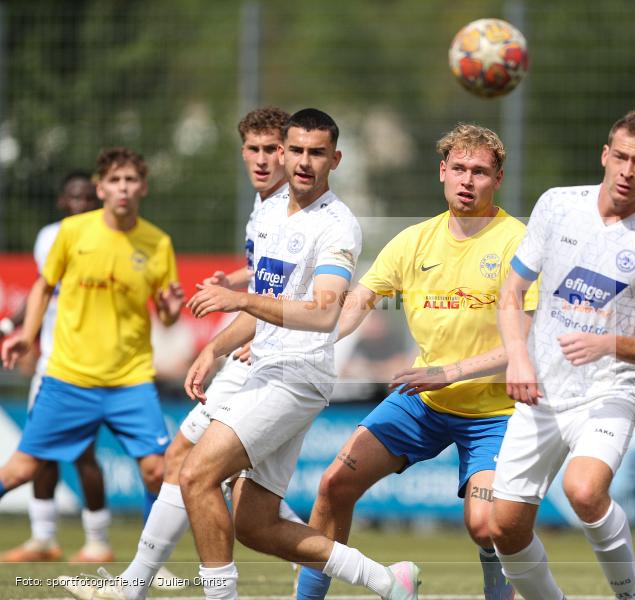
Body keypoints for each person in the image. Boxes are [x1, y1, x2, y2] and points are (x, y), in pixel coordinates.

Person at [59, 107, 307, 600]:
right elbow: (264, 272)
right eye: (253, 149)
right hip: (258, 353)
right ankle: (135, 584)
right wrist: (231, 280)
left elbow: (295, 286)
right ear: (243, 151)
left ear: (286, 152)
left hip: (268, 360)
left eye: (272, 149)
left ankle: (341, 564)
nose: (262, 159)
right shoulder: (265, 205)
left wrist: (254, 334)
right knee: (199, 467)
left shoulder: (289, 207)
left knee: (206, 473)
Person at [180, 108, 417, 600]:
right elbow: (268, 301)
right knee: (255, 524)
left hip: (297, 376)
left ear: (336, 158)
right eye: (298, 150)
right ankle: (386, 581)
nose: (305, 162)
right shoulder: (267, 212)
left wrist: (240, 298)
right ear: (284, 152)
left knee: (196, 474)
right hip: (263, 370)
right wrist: (216, 350)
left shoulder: (337, 225)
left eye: (317, 153)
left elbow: (323, 313)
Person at [296, 123, 536, 600]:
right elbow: (359, 301)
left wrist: (448, 372)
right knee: (333, 484)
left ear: (499, 179)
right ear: (442, 172)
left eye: (481, 172)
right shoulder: (413, 242)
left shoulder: (519, 243)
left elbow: (522, 344)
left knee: (486, 525)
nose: (468, 180)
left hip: (496, 412)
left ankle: (498, 582)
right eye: (460, 169)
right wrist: (312, 344)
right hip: (422, 402)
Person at [492, 110, 635, 600]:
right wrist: (518, 358)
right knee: (504, 529)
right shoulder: (557, 205)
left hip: (610, 390)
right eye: (620, 157)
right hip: (541, 392)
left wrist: (610, 343)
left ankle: (631, 595)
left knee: (584, 490)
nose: (627, 171)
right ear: (604, 155)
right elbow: (512, 291)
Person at [0, 148, 184, 549]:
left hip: (130, 381)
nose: (123, 189)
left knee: (158, 471)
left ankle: (147, 565)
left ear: (143, 187)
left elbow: (167, 315)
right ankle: (49, 541)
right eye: (114, 181)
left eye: (131, 180)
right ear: (101, 188)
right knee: (19, 469)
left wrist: (170, 311)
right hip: (69, 377)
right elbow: (43, 286)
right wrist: (25, 337)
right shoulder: (71, 233)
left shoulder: (158, 243)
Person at [0, 172, 112, 564]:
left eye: (88, 198)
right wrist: (13, 326)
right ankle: (43, 538)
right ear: (64, 202)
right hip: (51, 362)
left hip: (89, 363)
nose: (81, 204)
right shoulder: (49, 237)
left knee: (83, 451)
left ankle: (98, 540)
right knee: (39, 449)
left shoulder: (109, 236)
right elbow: (41, 288)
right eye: (74, 197)